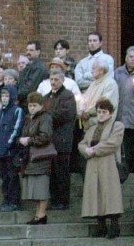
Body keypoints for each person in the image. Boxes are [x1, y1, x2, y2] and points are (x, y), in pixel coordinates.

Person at [80, 98, 124, 239]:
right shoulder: (92, 128)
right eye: (99, 112)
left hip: (108, 163)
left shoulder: (117, 126)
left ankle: (114, 226)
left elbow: (113, 143)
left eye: (104, 112)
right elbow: (82, 143)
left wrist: (94, 149)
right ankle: (101, 226)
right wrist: (85, 150)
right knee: (96, 194)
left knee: (110, 194)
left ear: (110, 113)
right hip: (93, 164)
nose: (101, 114)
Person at [42, 68, 77, 212]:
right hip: (49, 141)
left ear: (62, 80)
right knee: (52, 173)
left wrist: (46, 115)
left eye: (56, 80)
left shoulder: (68, 96)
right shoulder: (46, 97)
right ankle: (54, 199)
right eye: (51, 79)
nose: (53, 82)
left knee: (62, 172)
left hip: (62, 140)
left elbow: (64, 115)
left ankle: (63, 201)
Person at [18, 92, 52, 225]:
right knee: (36, 188)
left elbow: (45, 136)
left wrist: (29, 140)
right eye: (30, 105)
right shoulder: (29, 118)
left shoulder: (45, 118)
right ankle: (38, 214)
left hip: (41, 155)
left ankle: (41, 214)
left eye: (34, 105)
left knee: (41, 187)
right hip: (31, 157)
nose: (31, 108)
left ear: (41, 106)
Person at [0, 85, 23, 212]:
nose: (4, 98)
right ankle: (6, 199)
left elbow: (16, 129)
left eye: (7, 95)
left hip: (10, 151)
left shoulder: (17, 111)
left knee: (12, 176)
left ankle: (14, 201)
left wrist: (8, 144)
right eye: (2, 95)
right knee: (4, 176)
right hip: (0, 152)